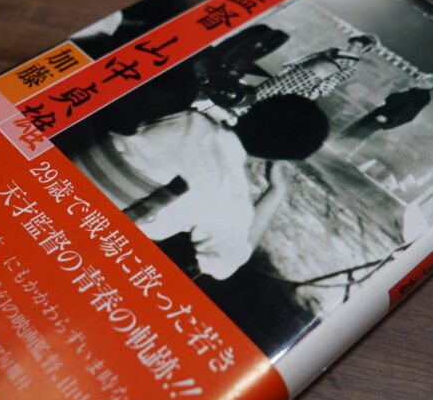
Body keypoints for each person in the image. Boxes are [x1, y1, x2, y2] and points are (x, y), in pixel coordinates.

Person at [69, 95, 328, 280]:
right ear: (282, 158)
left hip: (63, 181)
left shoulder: (186, 118)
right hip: (85, 240)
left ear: (253, 109)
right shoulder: (232, 201)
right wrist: (276, 191)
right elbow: (224, 264)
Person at [253, 34, 378, 102]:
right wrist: (291, 66)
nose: (352, 47)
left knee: (281, 99)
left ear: (363, 50)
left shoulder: (352, 66)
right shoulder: (333, 50)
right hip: (297, 71)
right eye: (352, 44)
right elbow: (311, 57)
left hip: (310, 81)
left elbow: (335, 79)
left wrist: (318, 91)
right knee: (268, 87)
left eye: (357, 47)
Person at [338, 73, 433, 142]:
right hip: (381, 111)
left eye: (431, 81)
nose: (426, 80)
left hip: (386, 117)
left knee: (361, 134)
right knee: (356, 126)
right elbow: (391, 98)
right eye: (427, 78)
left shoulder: (424, 97)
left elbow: (409, 113)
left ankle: (342, 150)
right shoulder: (413, 89)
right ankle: (336, 142)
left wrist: (388, 120)